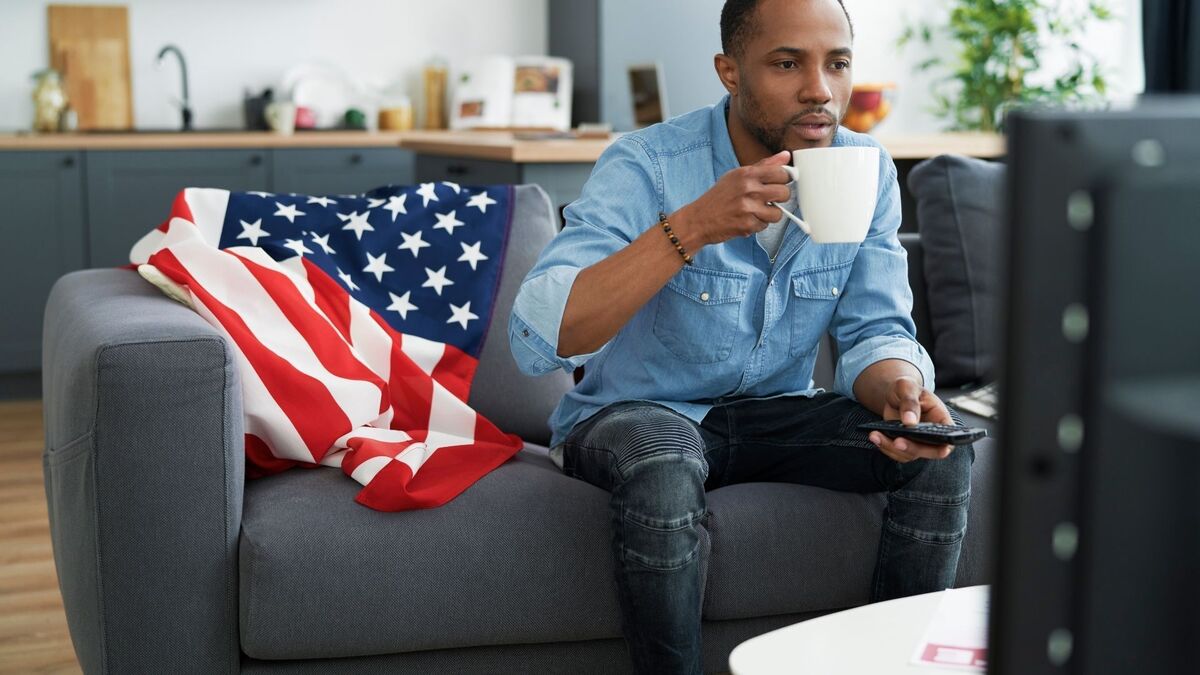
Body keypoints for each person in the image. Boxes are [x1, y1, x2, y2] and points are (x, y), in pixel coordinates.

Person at [508, 0, 976, 672]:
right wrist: (692, 226)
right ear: (730, 71)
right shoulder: (649, 165)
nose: (820, 89)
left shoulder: (862, 168)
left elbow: (875, 330)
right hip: (638, 414)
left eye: (837, 63)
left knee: (941, 449)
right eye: (788, 63)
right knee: (665, 459)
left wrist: (902, 390)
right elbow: (538, 338)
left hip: (774, 415)